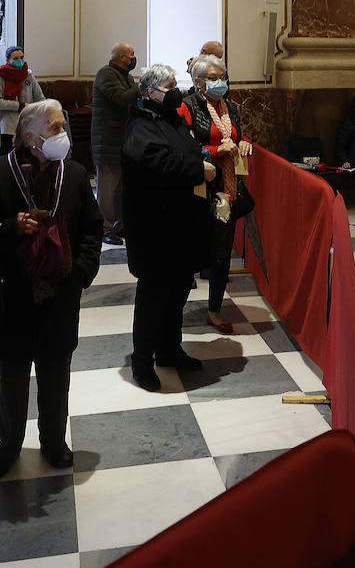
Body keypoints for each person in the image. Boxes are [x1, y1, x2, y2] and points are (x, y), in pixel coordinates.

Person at [0, 100, 103, 479]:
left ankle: (54, 442)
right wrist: (8, 228)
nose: (63, 135)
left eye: (63, 126)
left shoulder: (75, 175)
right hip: (11, 296)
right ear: (30, 138)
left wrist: (81, 271)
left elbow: (92, 229)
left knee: (56, 373)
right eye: (55, 128)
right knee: (11, 376)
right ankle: (9, 445)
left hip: (60, 295)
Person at [123, 64, 215, 392]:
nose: (177, 89)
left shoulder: (172, 118)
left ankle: (169, 350)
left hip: (178, 224)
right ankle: (142, 361)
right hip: (154, 228)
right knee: (153, 297)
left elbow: (185, 150)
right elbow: (154, 163)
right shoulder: (141, 124)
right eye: (170, 85)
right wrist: (195, 168)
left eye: (177, 83)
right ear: (150, 92)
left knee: (176, 293)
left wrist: (199, 159)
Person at [180, 55, 254, 334]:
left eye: (222, 76)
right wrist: (214, 151)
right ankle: (175, 310)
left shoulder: (230, 107)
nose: (219, 82)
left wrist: (244, 144)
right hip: (199, 189)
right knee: (193, 248)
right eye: (212, 77)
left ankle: (215, 309)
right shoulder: (186, 107)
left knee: (221, 250)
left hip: (226, 189)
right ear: (198, 81)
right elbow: (184, 147)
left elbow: (240, 136)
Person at [91, 42, 139, 245]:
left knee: (120, 188)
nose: (133, 58)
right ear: (121, 58)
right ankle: (105, 228)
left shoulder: (125, 76)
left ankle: (118, 226)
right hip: (108, 140)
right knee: (107, 189)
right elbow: (121, 98)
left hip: (121, 139)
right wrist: (141, 86)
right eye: (131, 55)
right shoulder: (106, 74)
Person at [0, 45, 45, 157]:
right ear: (8, 60)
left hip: (27, 128)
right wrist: (20, 106)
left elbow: (41, 99)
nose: (19, 61)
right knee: (8, 164)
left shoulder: (27, 75)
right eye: (15, 59)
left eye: (21, 58)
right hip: (7, 129)